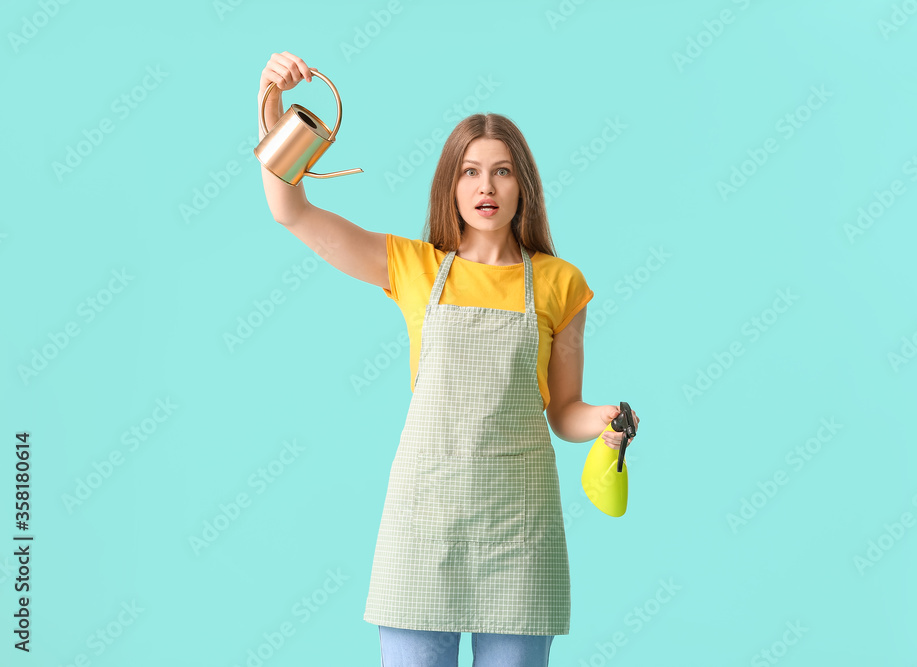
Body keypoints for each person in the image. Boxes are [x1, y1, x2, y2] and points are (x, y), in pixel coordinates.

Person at [258, 51, 639, 667]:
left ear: (525, 186)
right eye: (469, 172)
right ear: (449, 185)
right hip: (423, 522)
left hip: (520, 529)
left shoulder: (562, 283)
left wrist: (605, 419)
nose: (485, 188)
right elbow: (290, 211)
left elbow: (563, 409)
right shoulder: (414, 267)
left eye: (502, 172)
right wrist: (273, 111)